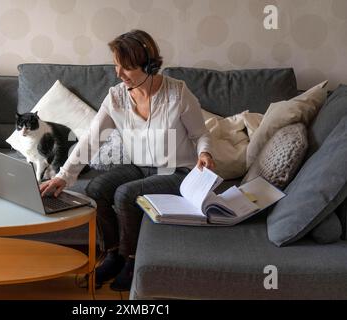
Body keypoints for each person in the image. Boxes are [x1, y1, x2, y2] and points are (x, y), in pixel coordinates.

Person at [40, 29, 215, 291]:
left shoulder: (177, 93)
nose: (118, 74)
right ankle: (114, 254)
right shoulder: (116, 97)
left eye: (126, 68)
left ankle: (132, 260)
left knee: (125, 194)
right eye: (116, 66)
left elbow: (201, 134)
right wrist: (63, 176)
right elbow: (91, 139)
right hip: (137, 167)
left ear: (149, 65)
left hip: (176, 171)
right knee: (95, 189)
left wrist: (205, 153)